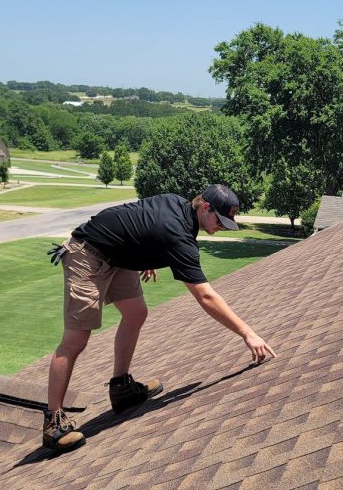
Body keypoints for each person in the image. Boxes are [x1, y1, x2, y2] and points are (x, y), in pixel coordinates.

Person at [43, 183, 276, 451]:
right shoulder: (177, 234)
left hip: (118, 255)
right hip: (87, 253)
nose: (222, 227)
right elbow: (206, 296)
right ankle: (53, 423)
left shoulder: (179, 206)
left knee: (136, 313)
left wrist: (147, 254)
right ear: (206, 207)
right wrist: (248, 333)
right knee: (76, 340)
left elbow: (143, 221)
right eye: (220, 220)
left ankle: (121, 389)